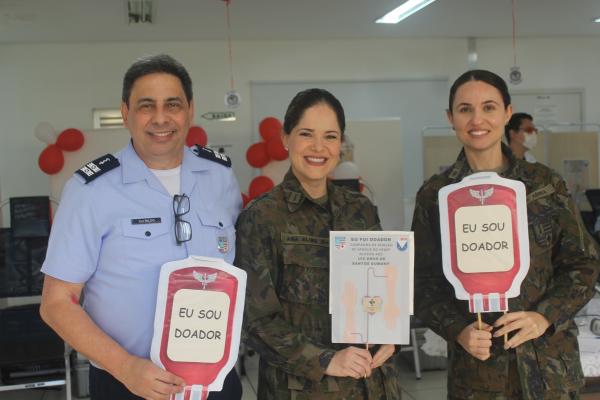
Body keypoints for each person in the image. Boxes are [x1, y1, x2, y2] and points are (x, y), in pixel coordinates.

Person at [39, 54, 243, 400]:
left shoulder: (220, 177)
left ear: (190, 110)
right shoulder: (91, 190)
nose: (161, 118)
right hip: (128, 382)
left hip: (214, 382)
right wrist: (125, 367)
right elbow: (56, 302)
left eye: (173, 105)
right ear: (125, 112)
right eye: (146, 106)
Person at [412, 70, 600, 399]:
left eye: (489, 107)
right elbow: (421, 283)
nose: (477, 119)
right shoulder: (436, 195)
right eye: (465, 109)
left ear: (507, 113)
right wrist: (458, 331)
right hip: (478, 377)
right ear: (450, 117)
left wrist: (544, 316)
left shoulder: (544, 184)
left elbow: (583, 263)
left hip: (549, 369)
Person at [234, 88, 402, 399]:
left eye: (330, 136)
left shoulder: (360, 209)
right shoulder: (262, 217)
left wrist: (390, 334)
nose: (318, 147)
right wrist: (326, 359)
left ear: (341, 144)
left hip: (373, 385)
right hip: (305, 390)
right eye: (306, 134)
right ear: (286, 138)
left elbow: (385, 286)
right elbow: (255, 320)